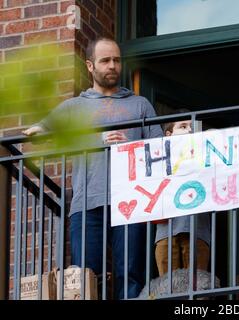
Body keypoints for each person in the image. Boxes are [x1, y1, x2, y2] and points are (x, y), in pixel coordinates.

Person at [23, 37, 163, 299]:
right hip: (87, 203)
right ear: (90, 65)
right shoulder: (74, 107)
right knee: (86, 276)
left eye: (117, 60)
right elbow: (43, 129)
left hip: (132, 200)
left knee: (131, 273)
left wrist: (131, 145)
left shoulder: (140, 104)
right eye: (105, 60)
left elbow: (158, 148)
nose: (112, 66)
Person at [154, 119, 211, 276]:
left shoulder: (203, 153)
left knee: (196, 285)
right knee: (168, 285)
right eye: (183, 127)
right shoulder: (158, 156)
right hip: (166, 232)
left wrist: (213, 140)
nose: (189, 131)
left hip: (197, 230)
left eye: (192, 128)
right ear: (168, 134)